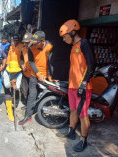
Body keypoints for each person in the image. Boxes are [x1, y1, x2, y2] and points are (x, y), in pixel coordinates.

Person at [58, 19, 94, 152]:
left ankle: (84, 140)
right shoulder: (73, 46)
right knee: (73, 110)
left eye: (65, 36)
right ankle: (72, 131)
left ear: (73, 32)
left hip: (82, 86)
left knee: (83, 114)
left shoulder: (84, 44)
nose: (64, 39)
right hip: (72, 86)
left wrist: (83, 84)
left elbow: (91, 65)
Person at [19, 31, 53, 125]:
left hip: (47, 76)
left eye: (36, 43)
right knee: (31, 95)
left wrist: (50, 76)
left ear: (42, 41)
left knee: (48, 94)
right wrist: (38, 74)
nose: (33, 44)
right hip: (35, 74)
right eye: (32, 42)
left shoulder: (50, 47)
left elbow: (52, 62)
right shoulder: (31, 48)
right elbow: (31, 62)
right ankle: (28, 115)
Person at [3, 34, 23, 121]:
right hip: (10, 68)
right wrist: (7, 65)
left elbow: (23, 57)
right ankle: (9, 111)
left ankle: (14, 101)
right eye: (14, 40)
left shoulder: (21, 46)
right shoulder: (11, 47)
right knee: (8, 90)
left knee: (16, 89)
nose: (15, 41)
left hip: (17, 68)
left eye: (16, 40)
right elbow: (9, 56)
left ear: (18, 40)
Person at [20, 33, 33, 106]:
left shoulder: (35, 49)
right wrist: (22, 65)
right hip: (25, 73)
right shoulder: (23, 49)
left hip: (33, 74)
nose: (26, 43)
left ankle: (31, 106)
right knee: (25, 90)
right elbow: (21, 59)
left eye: (27, 42)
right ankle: (27, 104)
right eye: (25, 42)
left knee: (32, 92)